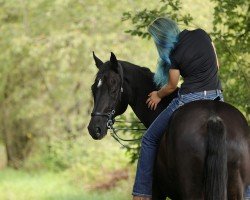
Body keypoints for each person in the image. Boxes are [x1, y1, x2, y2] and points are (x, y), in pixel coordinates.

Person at [132, 17, 224, 200]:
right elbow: (217, 65)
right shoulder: (201, 34)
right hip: (216, 96)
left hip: (190, 99)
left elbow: (172, 85)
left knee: (149, 139)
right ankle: (247, 192)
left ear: (161, 38)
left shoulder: (174, 53)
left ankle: (141, 193)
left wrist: (158, 95)